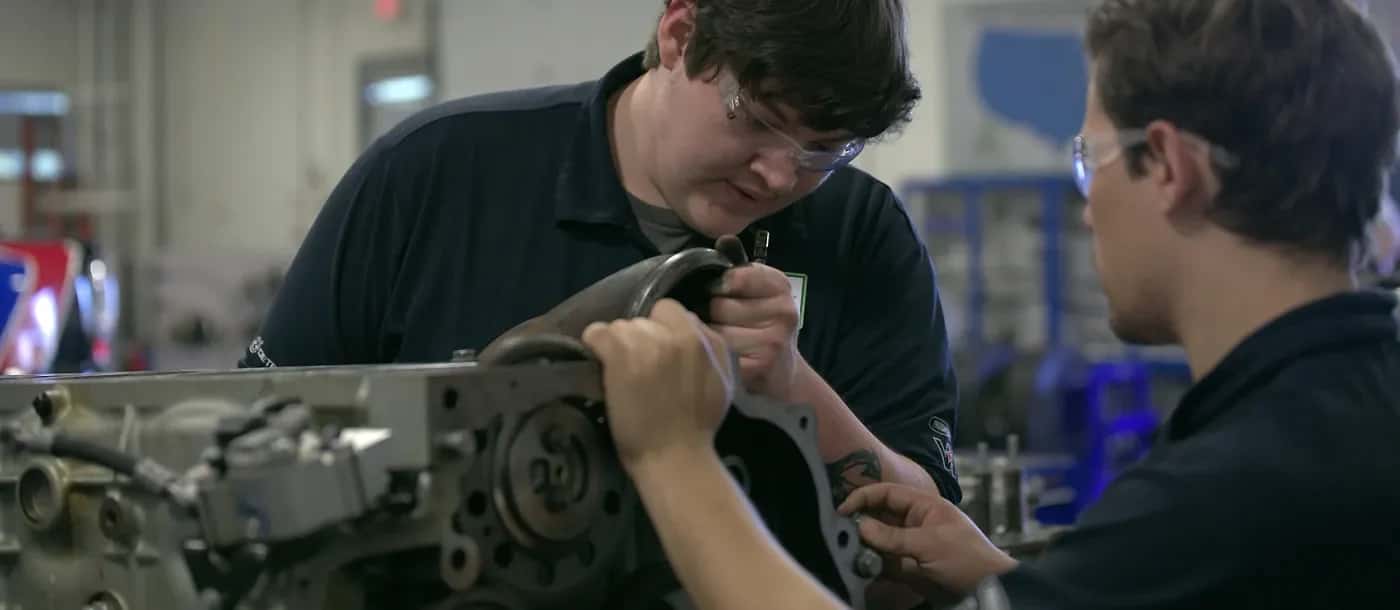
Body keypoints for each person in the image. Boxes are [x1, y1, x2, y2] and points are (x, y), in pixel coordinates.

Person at [581, 0, 1400, 608]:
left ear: (1169, 168)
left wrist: (672, 457)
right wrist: (1001, 582)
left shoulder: (1240, 487)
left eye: (1090, 162)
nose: (1087, 207)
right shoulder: (1347, 414)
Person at [241, 0, 962, 502]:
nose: (780, 175)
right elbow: (245, 436)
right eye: (760, 120)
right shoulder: (434, 177)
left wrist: (794, 387)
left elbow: (929, 523)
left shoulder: (861, 236)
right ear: (681, 33)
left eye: (822, 152)